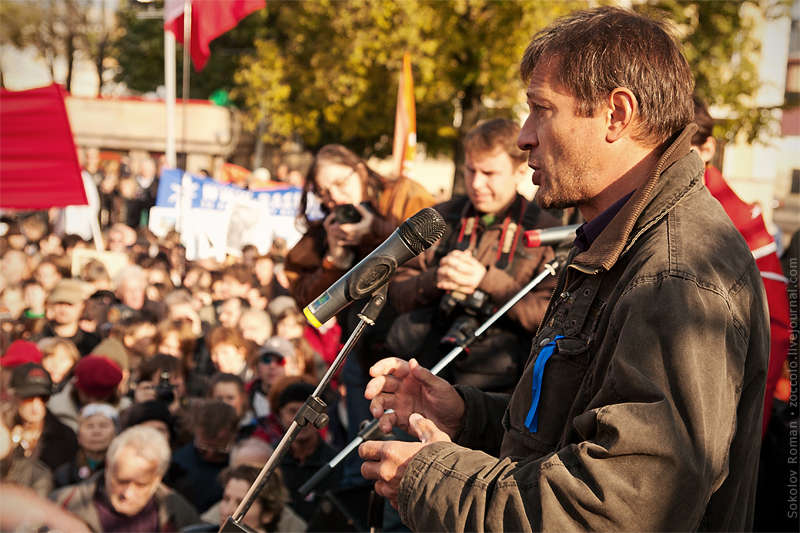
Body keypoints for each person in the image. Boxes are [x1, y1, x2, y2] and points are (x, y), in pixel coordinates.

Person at [359, 7, 769, 532]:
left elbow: (612, 509)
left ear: (617, 115)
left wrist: (432, 477)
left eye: (540, 110)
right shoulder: (621, 240)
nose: (524, 136)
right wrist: (468, 416)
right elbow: (573, 432)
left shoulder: (675, 276)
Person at [386, 118, 560, 392]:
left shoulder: (545, 231)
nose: (477, 183)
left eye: (489, 173)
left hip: (497, 387)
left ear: (518, 172)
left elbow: (551, 318)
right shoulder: (440, 217)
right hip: (420, 371)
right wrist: (436, 278)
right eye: (470, 170)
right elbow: (395, 293)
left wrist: (487, 281)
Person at [691, 95, 792, 438]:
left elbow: (775, 332)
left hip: (716, 427)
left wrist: (746, 433)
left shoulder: (742, 223)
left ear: (707, 148)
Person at [50, 425, 200, 532]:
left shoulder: (179, 512)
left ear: (157, 479)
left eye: (141, 485)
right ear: (108, 465)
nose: (127, 493)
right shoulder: (62, 504)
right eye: (121, 481)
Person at [53, 403, 120, 488]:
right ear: (79, 436)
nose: (96, 432)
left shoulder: (123, 471)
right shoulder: (64, 475)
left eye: (103, 426)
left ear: (116, 433)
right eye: (89, 426)